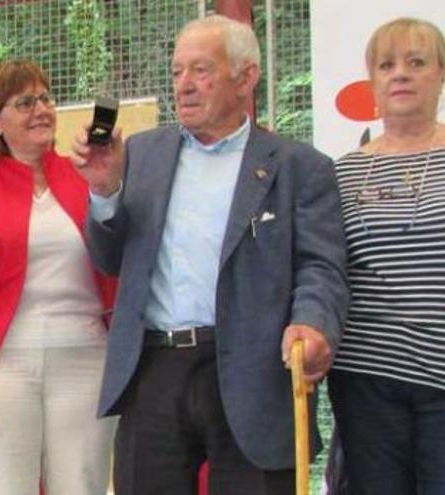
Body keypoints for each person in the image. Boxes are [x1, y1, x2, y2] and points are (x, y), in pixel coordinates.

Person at [71, 15, 349, 494]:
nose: (184, 86)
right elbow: (109, 260)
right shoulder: (139, 154)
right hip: (153, 368)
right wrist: (105, 189)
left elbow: (320, 266)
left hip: (253, 369)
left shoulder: (299, 166)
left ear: (246, 77)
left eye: (201, 71)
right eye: (177, 71)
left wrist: (314, 322)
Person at [0, 59, 118, 495]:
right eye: (25, 102)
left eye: (46, 98)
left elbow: (123, 252)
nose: (42, 110)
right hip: (2, 369)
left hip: (89, 362)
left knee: (83, 487)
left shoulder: (87, 175)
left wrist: (108, 185)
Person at [328, 17, 445, 494]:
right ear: (371, 81)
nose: (401, 74)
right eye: (387, 64)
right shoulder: (341, 173)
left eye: (416, 62)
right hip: (366, 380)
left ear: (440, 74)